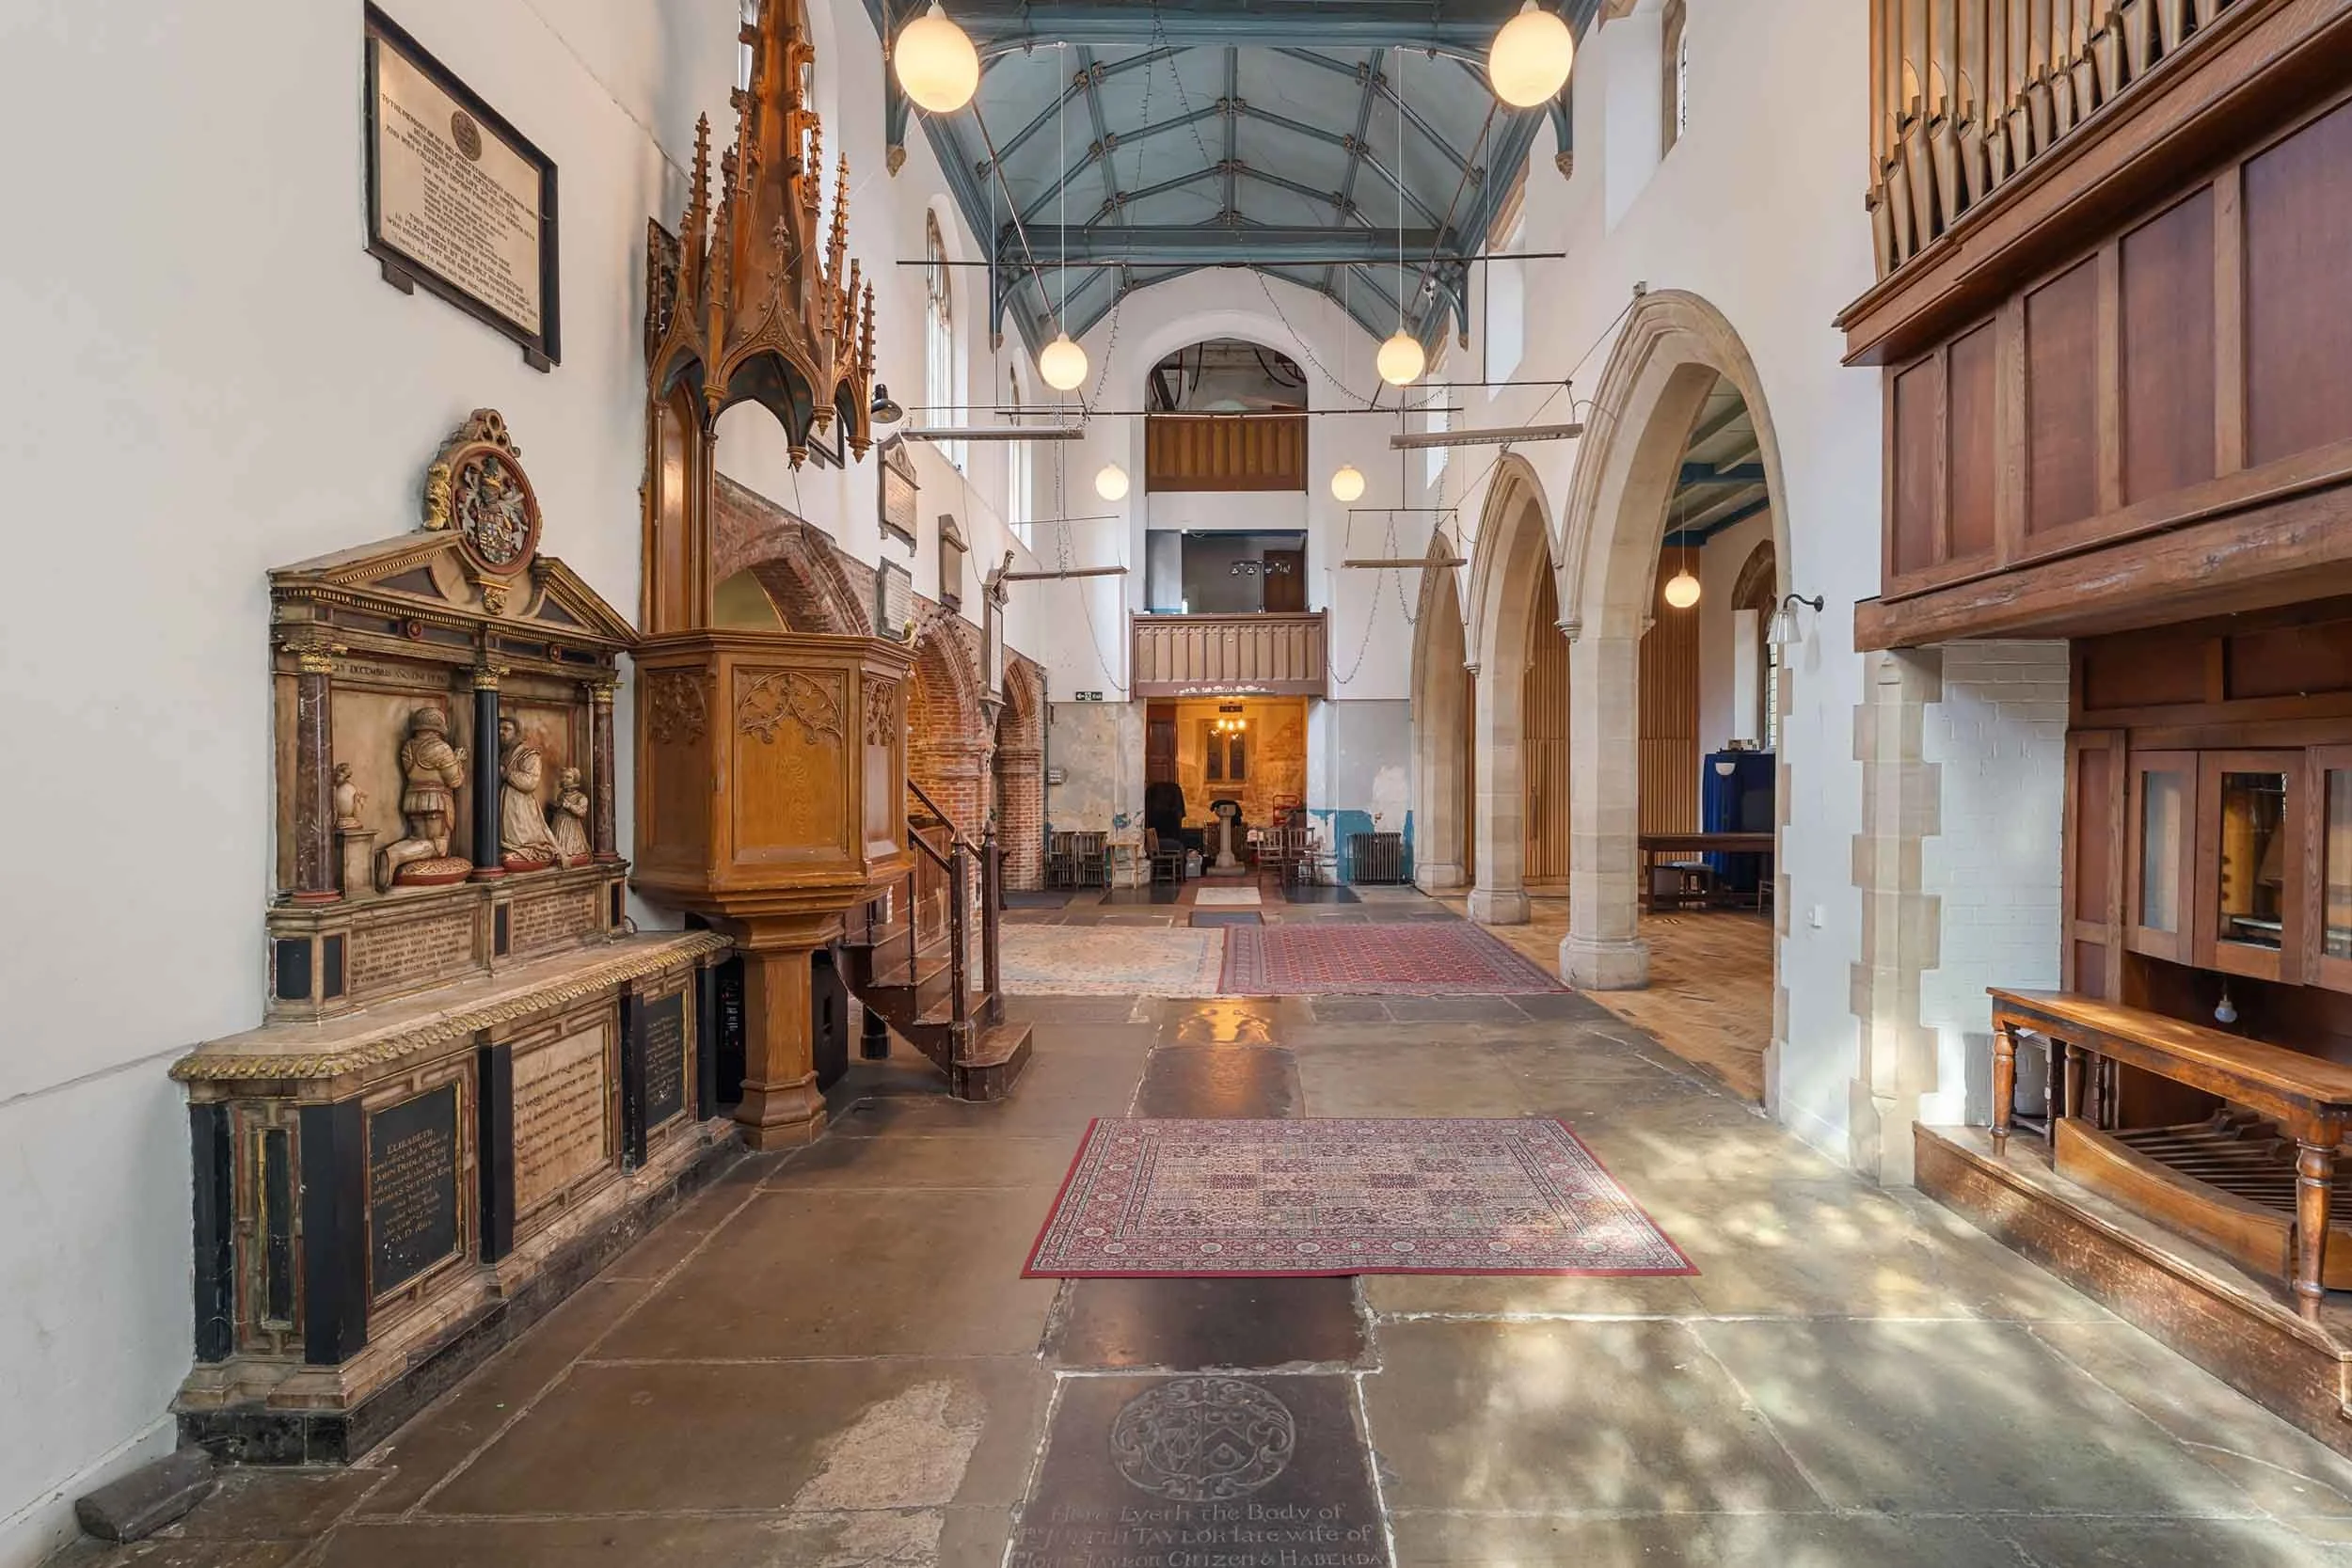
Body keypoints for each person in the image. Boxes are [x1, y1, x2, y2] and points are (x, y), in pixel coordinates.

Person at [498, 716, 563, 870]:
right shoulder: (503, 754)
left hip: (520, 805)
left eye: (506, 729)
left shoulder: (530, 754)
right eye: (499, 729)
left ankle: (525, 852)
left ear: (518, 732)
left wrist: (506, 774)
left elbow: (530, 782)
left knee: (520, 838)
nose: (501, 733)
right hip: (505, 802)